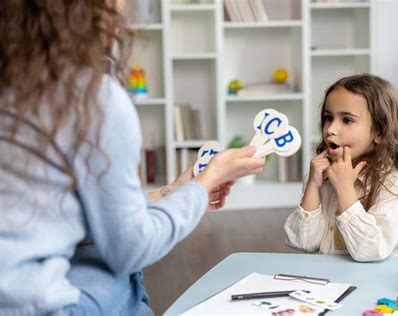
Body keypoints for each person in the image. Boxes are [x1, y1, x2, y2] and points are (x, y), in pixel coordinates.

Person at [0, 1, 265, 315]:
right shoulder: (92, 97)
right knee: (122, 272)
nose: (123, 15)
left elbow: (58, 214)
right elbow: (128, 248)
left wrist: (173, 192)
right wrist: (204, 184)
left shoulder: (13, 83)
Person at [285, 74, 398, 262]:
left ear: (379, 132)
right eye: (328, 118)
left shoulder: (393, 184)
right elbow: (303, 243)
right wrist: (313, 187)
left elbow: (371, 250)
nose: (330, 129)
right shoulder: (323, 177)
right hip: (331, 283)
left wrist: (344, 188)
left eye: (347, 120)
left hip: (377, 285)